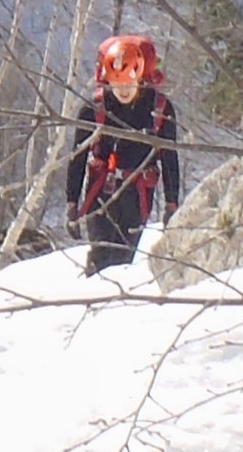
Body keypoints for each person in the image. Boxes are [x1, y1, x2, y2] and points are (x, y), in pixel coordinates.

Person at [63, 33, 182, 274]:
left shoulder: (159, 109)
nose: (124, 90)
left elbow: (169, 158)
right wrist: (72, 203)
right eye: (118, 84)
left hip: (138, 194)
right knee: (102, 254)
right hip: (101, 187)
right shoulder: (93, 109)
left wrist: (172, 203)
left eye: (129, 82)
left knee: (124, 257)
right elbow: (78, 157)